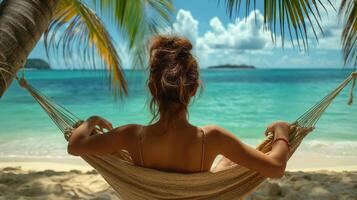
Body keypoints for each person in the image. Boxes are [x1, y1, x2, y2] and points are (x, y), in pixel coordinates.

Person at [68, 35, 293, 178]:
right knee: (228, 162)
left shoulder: (132, 136)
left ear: (152, 89)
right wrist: (281, 131)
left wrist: (92, 121)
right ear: (194, 89)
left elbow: (75, 146)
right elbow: (275, 167)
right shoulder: (212, 138)